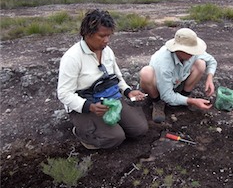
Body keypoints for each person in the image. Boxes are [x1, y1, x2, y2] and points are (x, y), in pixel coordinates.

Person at [57, 9, 148, 149]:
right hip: (86, 105)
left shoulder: (107, 51)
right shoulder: (72, 58)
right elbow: (63, 93)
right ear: (87, 33)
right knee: (115, 138)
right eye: (102, 36)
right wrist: (90, 107)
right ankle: (82, 132)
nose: (106, 40)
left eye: (109, 36)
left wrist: (128, 92)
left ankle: (104, 127)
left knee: (139, 129)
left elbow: (116, 77)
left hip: (109, 99)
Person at [139, 28, 217, 123]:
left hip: (178, 81)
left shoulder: (192, 53)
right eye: (190, 51)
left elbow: (211, 61)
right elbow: (166, 95)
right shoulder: (164, 62)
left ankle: (184, 96)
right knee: (146, 73)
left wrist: (209, 78)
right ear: (179, 50)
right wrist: (193, 101)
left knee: (201, 64)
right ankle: (157, 102)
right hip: (160, 87)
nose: (193, 54)